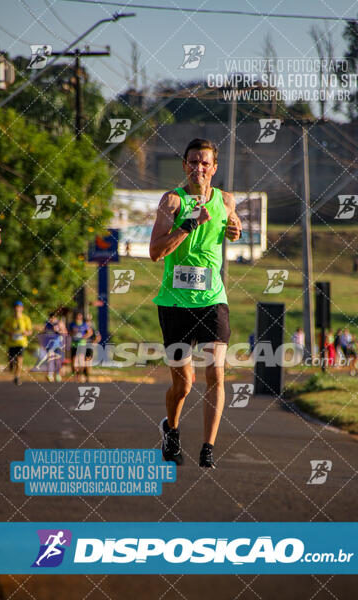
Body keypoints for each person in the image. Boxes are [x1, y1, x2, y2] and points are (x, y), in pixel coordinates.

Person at [150, 138, 242, 468]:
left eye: (205, 163)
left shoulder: (226, 199)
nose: (198, 167)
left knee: (216, 371)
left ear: (214, 168)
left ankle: (208, 448)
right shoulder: (172, 201)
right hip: (174, 303)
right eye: (192, 161)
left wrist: (235, 229)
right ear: (184, 165)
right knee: (184, 384)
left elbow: (232, 227)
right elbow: (155, 252)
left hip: (213, 299)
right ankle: (171, 430)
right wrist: (189, 224)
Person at [4, 301, 32, 385]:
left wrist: (26, 333)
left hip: (21, 343)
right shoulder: (9, 319)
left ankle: (17, 376)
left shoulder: (26, 318)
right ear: (14, 308)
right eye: (16, 307)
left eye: (19, 307)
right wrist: (9, 333)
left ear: (22, 308)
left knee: (19, 359)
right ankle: (12, 368)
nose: (17, 308)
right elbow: (4, 329)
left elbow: (30, 331)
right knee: (11, 361)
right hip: (11, 343)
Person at [68, 312, 90, 381]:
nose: (78, 318)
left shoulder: (84, 325)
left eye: (80, 316)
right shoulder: (72, 324)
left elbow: (90, 332)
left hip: (82, 344)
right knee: (74, 361)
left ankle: (81, 375)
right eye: (77, 316)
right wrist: (73, 333)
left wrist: (84, 337)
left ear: (81, 317)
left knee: (81, 360)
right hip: (74, 344)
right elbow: (69, 332)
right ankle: (76, 375)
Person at [84, 315, 101, 382]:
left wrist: (95, 343)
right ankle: (80, 375)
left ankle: (87, 376)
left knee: (88, 361)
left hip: (89, 345)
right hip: (81, 345)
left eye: (89, 321)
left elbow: (98, 337)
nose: (87, 322)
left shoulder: (93, 328)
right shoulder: (82, 327)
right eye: (86, 321)